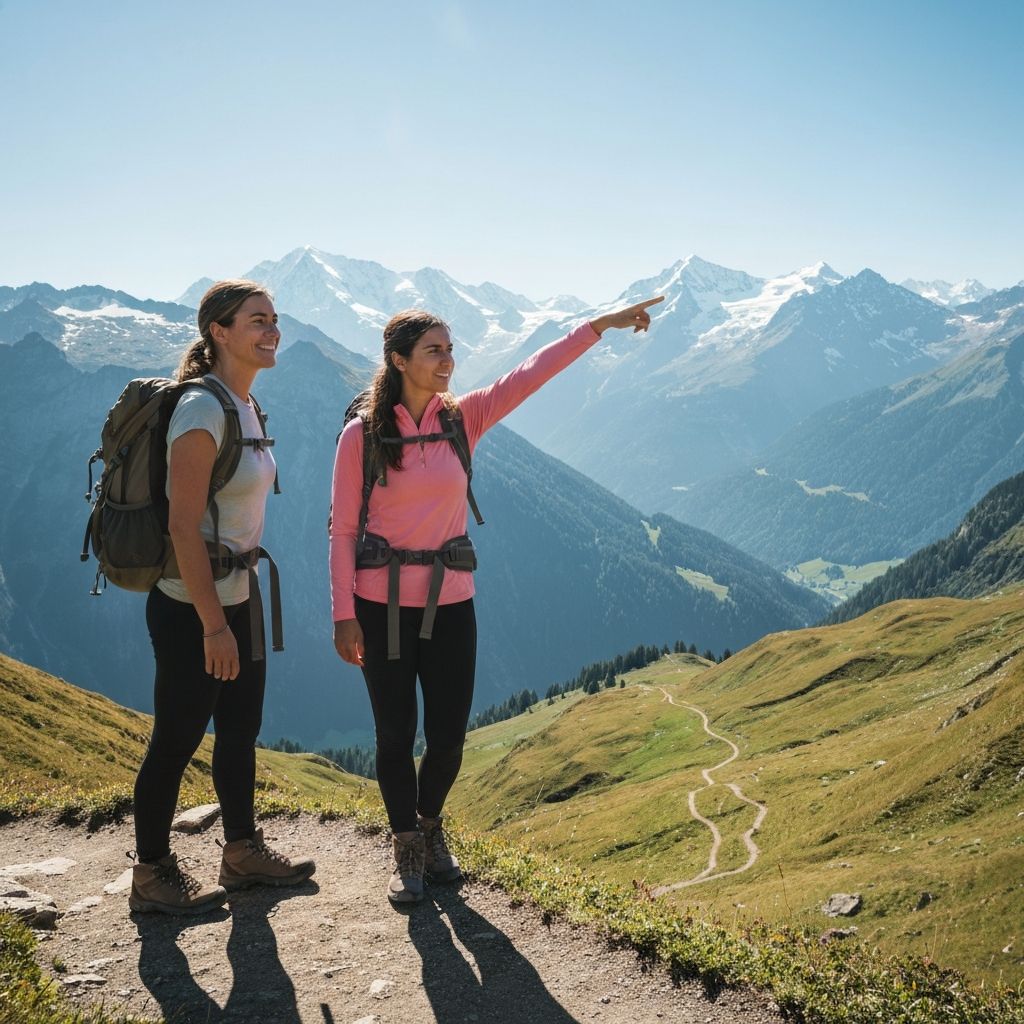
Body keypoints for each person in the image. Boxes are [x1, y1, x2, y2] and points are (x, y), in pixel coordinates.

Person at [329, 294, 664, 903]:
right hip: (380, 605)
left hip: (452, 598)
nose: (448, 361)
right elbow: (343, 530)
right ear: (400, 360)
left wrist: (601, 326)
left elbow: (531, 374)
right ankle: (406, 844)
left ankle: (430, 826)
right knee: (394, 734)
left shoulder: (464, 418)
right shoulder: (362, 436)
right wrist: (343, 614)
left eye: (451, 349)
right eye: (434, 351)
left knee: (450, 733)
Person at [130, 279, 315, 915]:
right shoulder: (203, 409)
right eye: (257, 321)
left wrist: (236, 609)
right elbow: (183, 524)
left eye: (274, 321)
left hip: (243, 592)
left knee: (240, 730)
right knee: (178, 737)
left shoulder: (246, 404)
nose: (273, 332)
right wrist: (213, 625)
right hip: (192, 604)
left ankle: (241, 853)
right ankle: (152, 873)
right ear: (219, 331)